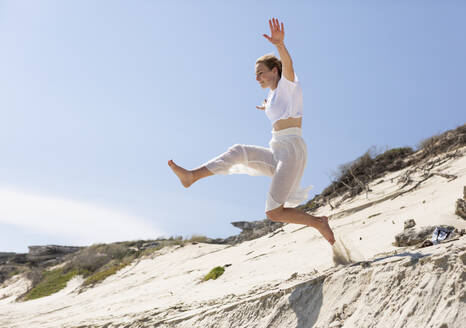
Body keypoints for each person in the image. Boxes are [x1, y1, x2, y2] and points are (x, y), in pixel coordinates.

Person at [168, 18, 335, 245]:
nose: (257, 78)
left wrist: (280, 45)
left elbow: (289, 66)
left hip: (292, 151)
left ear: (275, 71)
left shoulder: (289, 83)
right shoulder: (275, 94)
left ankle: (318, 223)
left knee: (274, 212)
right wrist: (267, 106)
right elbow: (278, 106)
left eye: (260, 73)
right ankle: (191, 176)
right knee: (239, 151)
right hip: (277, 150)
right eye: (255, 75)